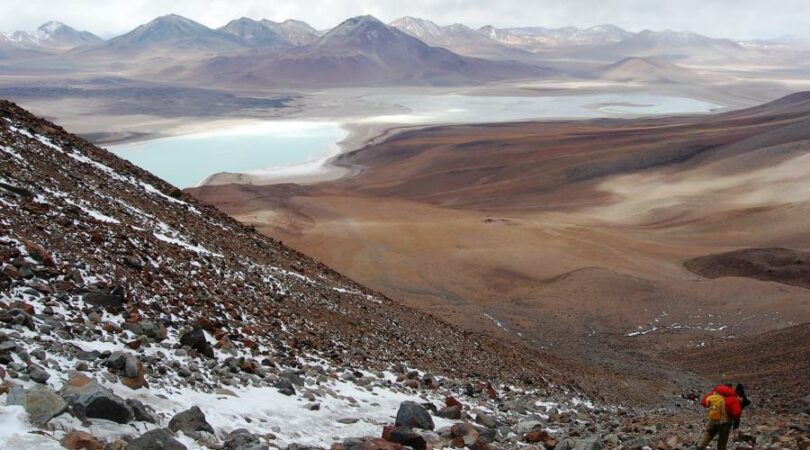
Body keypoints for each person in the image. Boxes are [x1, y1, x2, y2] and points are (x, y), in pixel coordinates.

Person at [696, 383, 742, 450]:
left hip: (713, 420)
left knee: (708, 435)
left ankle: (700, 447)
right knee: (722, 441)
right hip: (725, 423)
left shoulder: (714, 393)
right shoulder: (733, 398)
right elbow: (736, 413)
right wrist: (732, 417)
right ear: (731, 388)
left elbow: (703, 402)